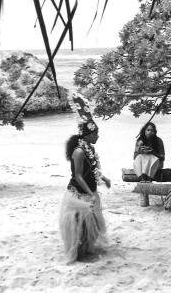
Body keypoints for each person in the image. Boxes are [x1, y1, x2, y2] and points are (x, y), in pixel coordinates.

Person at [60, 94, 111, 263]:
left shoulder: (89, 148)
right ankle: (79, 252)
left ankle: (87, 249)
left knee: (92, 225)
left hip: (89, 191)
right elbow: (78, 176)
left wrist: (103, 178)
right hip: (78, 194)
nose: (98, 136)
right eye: (95, 134)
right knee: (79, 226)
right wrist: (90, 192)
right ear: (87, 135)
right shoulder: (79, 151)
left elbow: (94, 169)